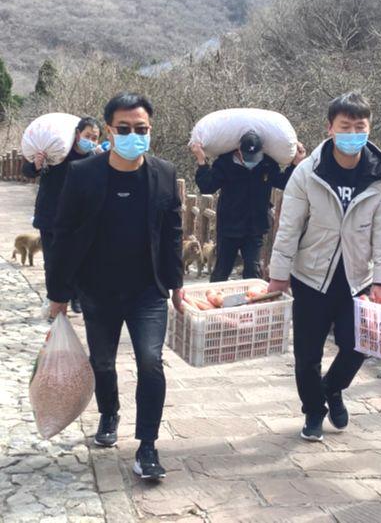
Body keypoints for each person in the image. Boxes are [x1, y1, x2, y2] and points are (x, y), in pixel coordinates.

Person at [47, 92, 184, 481]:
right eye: (124, 129)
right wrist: (58, 293)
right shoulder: (84, 174)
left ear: (151, 129)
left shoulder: (163, 173)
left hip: (147, 291)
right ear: (109, 130)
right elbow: (64, 233)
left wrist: (176, 285)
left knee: (150, 362)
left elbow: (173, 232)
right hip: (98, 289)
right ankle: (109, 412)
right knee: (103, 361)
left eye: (141, 129)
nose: (133, 135)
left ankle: (147, 447)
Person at [268, 92, 381, 442]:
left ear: (369, 128)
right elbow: (289, 226)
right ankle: (313, 410)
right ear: (330, 128)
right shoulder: (308, 172)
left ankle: (333, 387)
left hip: (358, 276)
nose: (353, 133)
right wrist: (279, 275)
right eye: (345, 126)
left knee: (360, 344)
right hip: (311, 275)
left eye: (360, 126)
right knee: (307, 353)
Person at [191, 131, 306, 281]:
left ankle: (253, 297)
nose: (251, 161)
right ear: (239, 150)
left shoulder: (267, 164)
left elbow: (284, 182)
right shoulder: (225, 163)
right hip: (229, 227)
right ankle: (215, 296)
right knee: (221, 271)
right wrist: (201, 160)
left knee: (253, 272)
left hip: (255, 227)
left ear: (262, 150)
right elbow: (207, 186)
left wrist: (295, 164)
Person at [22, 116, 101, 315]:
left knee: (79, 258)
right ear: (77, 134)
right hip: (51, 216)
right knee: (52, 262)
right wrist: (36, 165)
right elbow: (28, 171)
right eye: (87, 136)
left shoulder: (94, 158)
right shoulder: (57, 153)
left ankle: (75, 297)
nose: (91, 141)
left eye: (95, 138)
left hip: (79, 219)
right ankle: (54, 298)